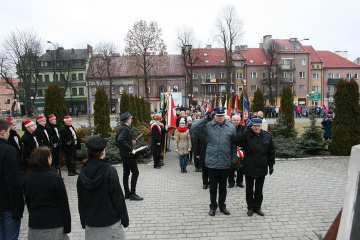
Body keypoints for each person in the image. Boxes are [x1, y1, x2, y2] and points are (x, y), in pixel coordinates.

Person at [77, 136, 129, 239]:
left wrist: (84, 221)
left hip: (91, 223)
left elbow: (81, 200)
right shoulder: (109, 171)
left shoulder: (82, 173)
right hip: (109, 222)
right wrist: (124, 219)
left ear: (87, 152)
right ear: (103, 152)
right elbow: (117, 197)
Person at [192, 107, 237, 216]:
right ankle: (213, 206)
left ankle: (222, 206)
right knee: (212, 187)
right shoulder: (208, 125)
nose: (221, 118)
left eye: (222, 115)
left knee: (223, 187)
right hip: (212, 161)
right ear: (214, 116)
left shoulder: (231, 127)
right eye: (218, 116)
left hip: (225, 161)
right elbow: (193, 129)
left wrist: (233, 160)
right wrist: (205, 118)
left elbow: (233, 145)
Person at [22, 147, 71, 239]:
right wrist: (67, 226)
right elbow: (63, 203)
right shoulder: (54, 178)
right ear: (47, 159)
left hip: (35, 223)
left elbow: (28, 203)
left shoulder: (27, 178)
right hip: (53, 223)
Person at [235, 118, 275, 217]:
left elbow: (271, 152)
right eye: (255, 126)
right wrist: (245, 131)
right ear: (251, 126)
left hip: (262, 166)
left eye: (258, 126)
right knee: (249, 189)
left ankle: (257, 207)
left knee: (259, 189)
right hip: (249, 165)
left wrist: (271, 165)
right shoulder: (247, 135)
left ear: (261, 126)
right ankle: (250, 207)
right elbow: (236, 141)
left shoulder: (267, 136)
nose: (257, 128)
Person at [0, 118, 24, 240]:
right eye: (9, 131)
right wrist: (18, 206)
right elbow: (13, 181)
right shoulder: (8, 151)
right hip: (7, 204)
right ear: (2, 132)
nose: (9, 134)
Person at [116, 111, 143, 201]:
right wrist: (130, 149)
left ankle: (127, 193)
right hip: (128, 154)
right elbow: (120, 139)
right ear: (127, 120)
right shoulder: (126, 129)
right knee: (135, 172)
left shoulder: (121, 128)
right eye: (130, 118)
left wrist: (129, 141)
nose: (131, 120)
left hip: (124, 154)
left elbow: (117, 138)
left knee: (126, 173)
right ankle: (132, 194)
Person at [228, 114, 245, 188]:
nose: (236, 121)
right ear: (232, 121)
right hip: (231, 149)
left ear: (240, 121)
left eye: (237, 120)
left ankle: (239, 182)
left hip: (240, 149)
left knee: (240, 167)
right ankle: (231, 182)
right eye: (234, 120)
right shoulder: (229, 127)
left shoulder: (243, 128)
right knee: (231, 167)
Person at [193, 117, 209, 189]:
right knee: (204, 169)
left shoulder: (211, 130)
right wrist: (196, 154)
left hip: (211, 152)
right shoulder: (198, 131)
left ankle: (211, 182)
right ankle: (205, 183)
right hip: (202, 152)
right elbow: (195, 143)